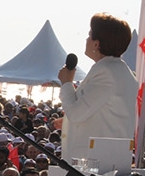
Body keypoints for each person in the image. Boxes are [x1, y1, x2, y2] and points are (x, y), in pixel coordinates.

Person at [58, 13, 137, 161]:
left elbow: (76, 114)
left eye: (89, 35)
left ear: (97, 44)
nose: (86, 39)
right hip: (106, 159)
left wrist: (67, 83)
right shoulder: (119, 71)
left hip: (93, 164)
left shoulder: (106, 73)